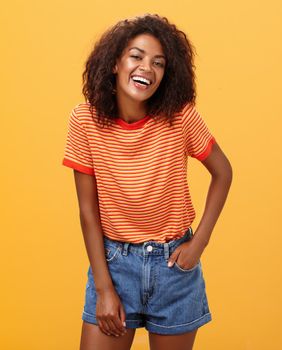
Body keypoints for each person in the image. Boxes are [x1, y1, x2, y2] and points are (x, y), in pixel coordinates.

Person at [62, 13, 233, 350]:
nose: (147, 69)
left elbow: (223, 172)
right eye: (136, 56)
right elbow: (87, 211)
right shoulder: (84, 120)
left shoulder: (180, 116)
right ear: (115, 63)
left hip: (174, 272)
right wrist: (104, 288)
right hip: (114, 266)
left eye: (159, 63)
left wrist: (199, 243)